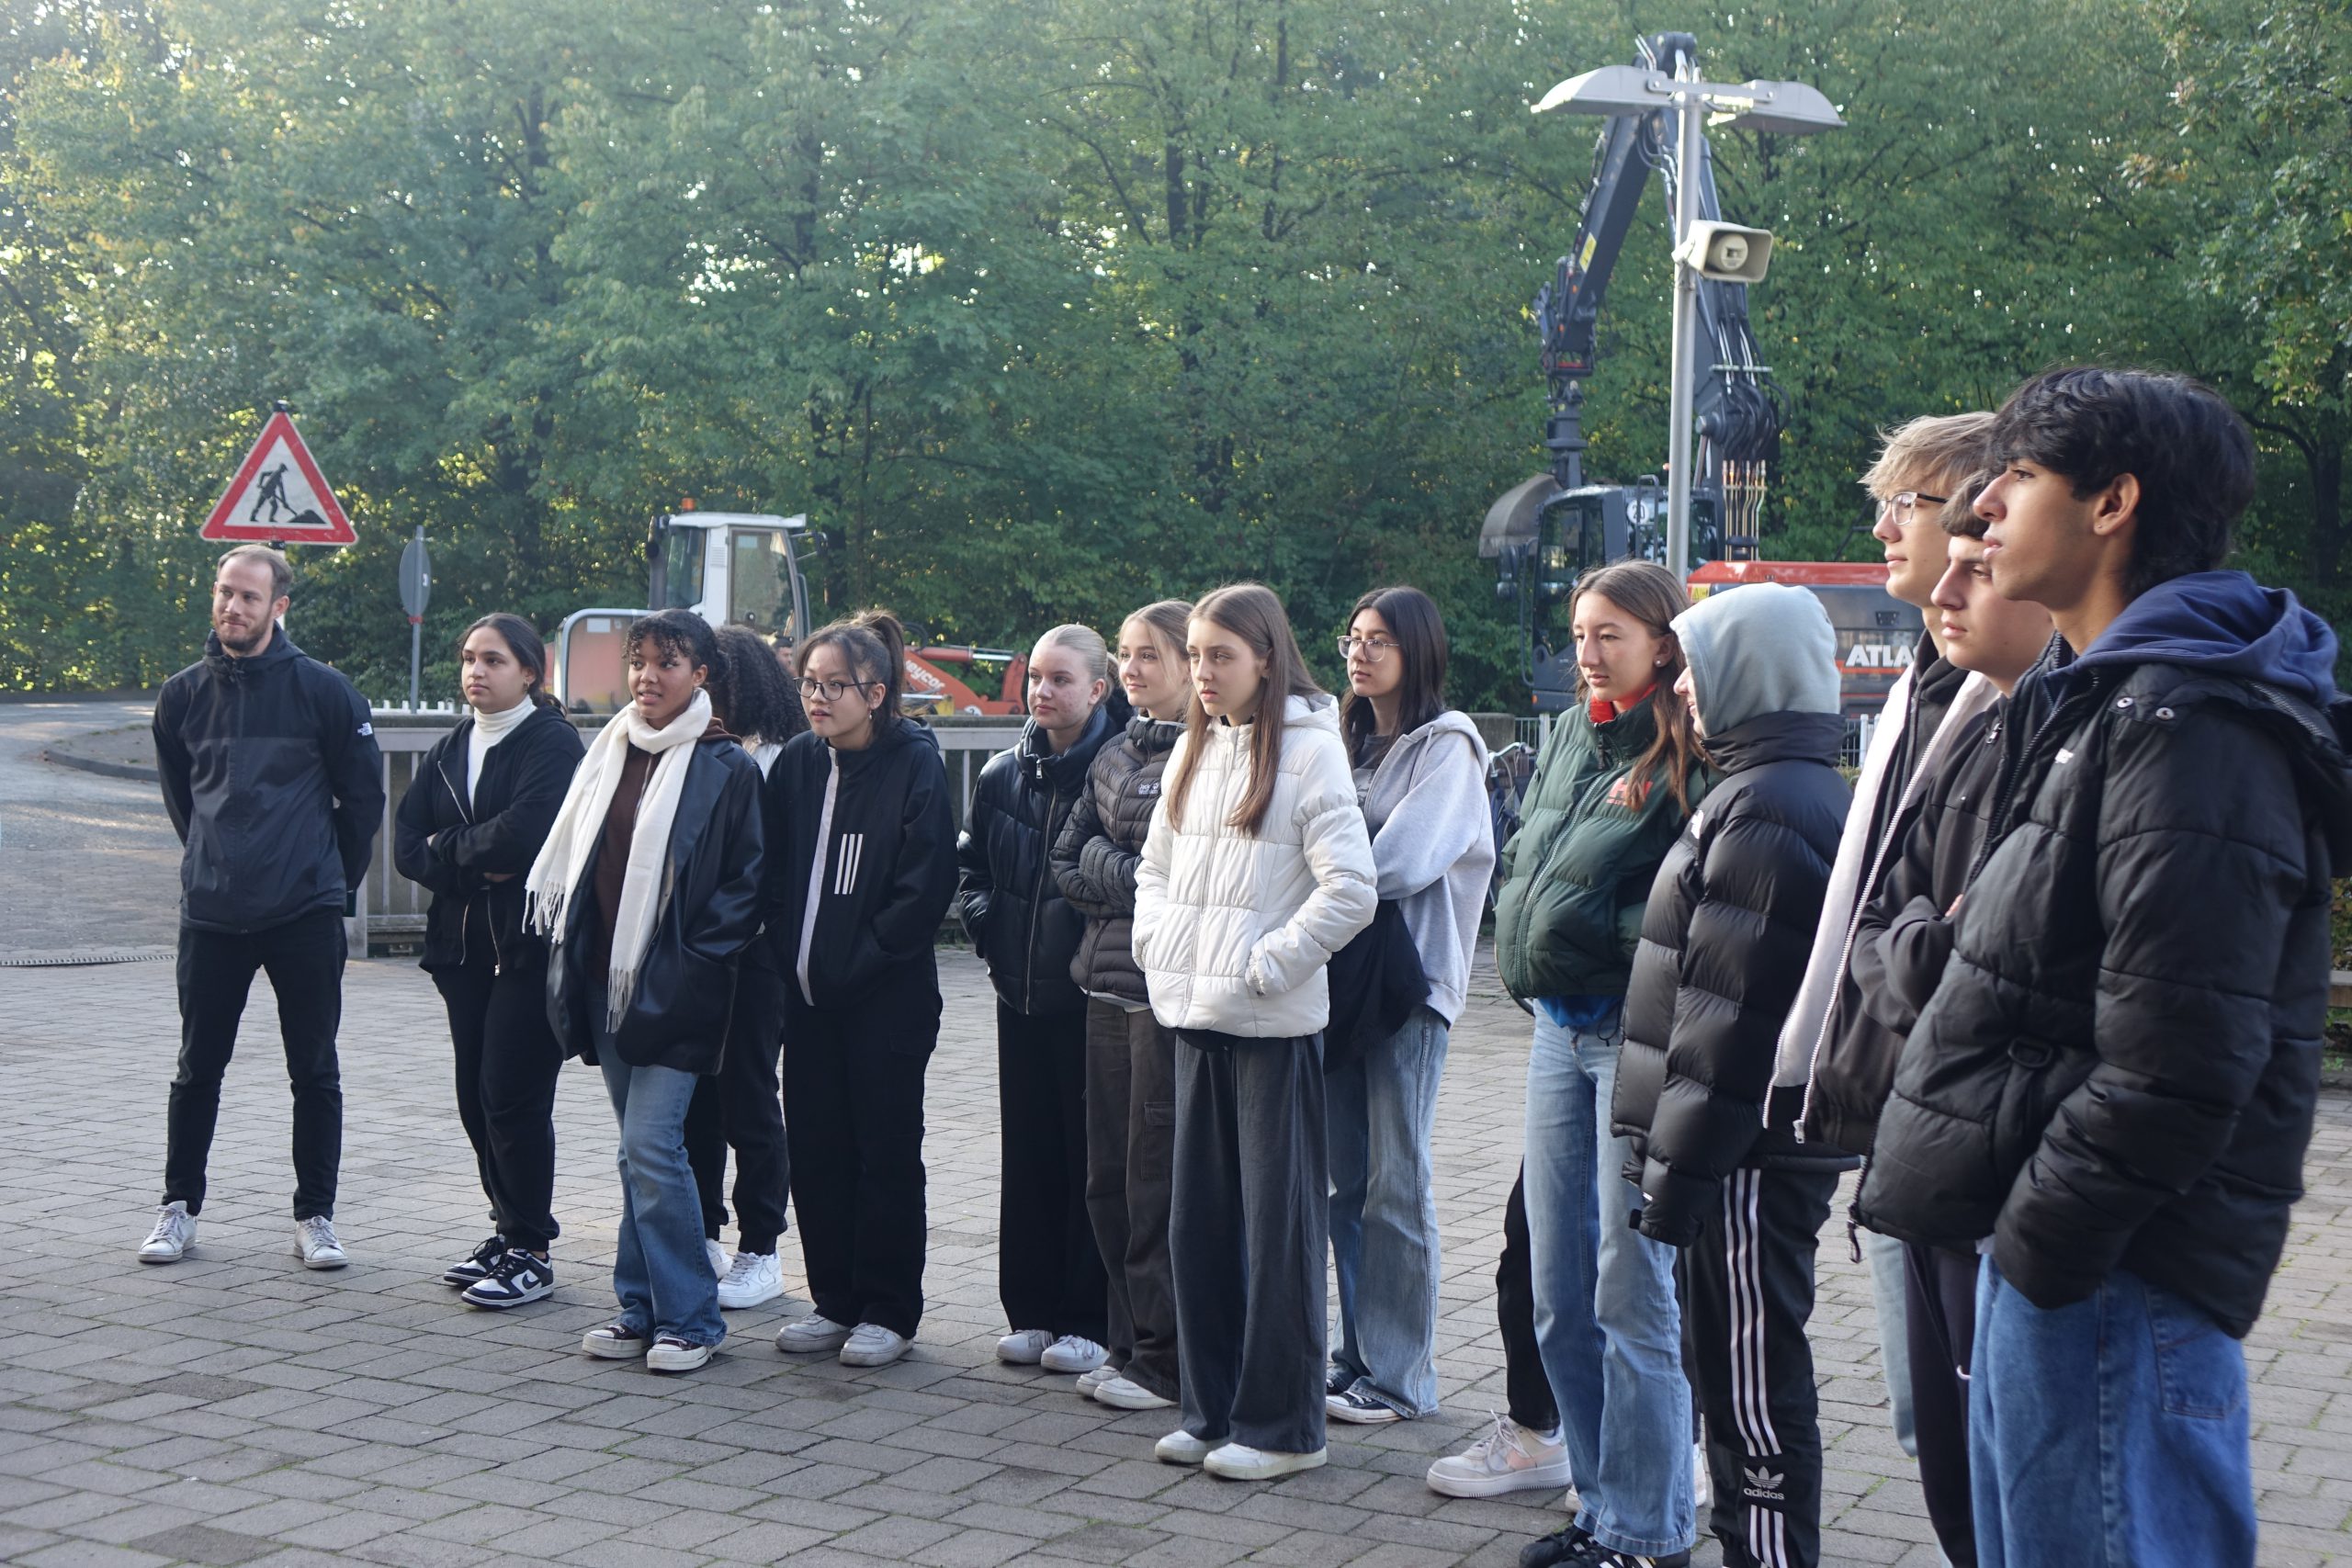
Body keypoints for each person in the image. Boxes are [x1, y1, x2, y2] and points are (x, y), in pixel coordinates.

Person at [1860, 367, 2349, 1568]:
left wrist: (2040, 1246)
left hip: (2109, 1276)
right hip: (2063, 1267)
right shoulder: (2104, 704)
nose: (1980, 510)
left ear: (2112, 503)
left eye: (2018, 477)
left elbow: (2182, 1062)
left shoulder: (2190, 725)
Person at [1832, 492, 2055, 1566]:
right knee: (1941, 1444)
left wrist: (1925, 945)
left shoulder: (2064, 739)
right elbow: (1884, 920)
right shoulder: (1971, 730)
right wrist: (1932, 940)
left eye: (1980, 565)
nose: (1943, 592)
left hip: (1990, 1154)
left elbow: (2001, 964)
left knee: (2004, 1464)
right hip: (1917, 1127)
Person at [1609, 581, 1851, 1568]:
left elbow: (1730, 1028)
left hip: (1748, 1158)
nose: (1682, 690)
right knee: (1734, 1373)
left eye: (1698, 670)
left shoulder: (1766, 808)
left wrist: (1676, 1182)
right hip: (1738, 1153)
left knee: (1750, 1389)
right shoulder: (1765, 792)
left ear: (1749, 673)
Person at [1776, 412, 1997, 1471]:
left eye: (1904, 504)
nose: (1880, 527)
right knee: (1931, 1429)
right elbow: (1887, 905)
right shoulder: (1922, 683)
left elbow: (1946, 932)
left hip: (1950, 1106)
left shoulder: (2008, 702)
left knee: (1969, 1439)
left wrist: (1891, 944)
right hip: (1893, 1090)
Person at [1489, 560, 1709, 1557]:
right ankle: (1598, 1503)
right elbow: (1530, 860)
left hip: (1633, 1033)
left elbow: (1696, 897)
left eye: (1608, 633)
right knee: (1556, 1287)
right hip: (1555, 1027)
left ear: (1662, 642)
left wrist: (1594, 942)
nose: (1586, 650)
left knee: (1632, 1291)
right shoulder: (1574, 729)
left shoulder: (1691, 739)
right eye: (1579, 631)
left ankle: (1648, 1529)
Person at [1136, 582, 1375, 1483]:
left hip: (1272, 1029)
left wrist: (1267, 965)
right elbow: (1152, 871)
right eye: (1195, 655)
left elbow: (1352, 889)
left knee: (1277, 1235)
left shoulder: (1312, 752)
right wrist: (1163, 952)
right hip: (1194, 1019)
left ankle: (1284, 1430)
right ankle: (1212, 1411)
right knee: (1197, 1227)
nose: (1202, 672)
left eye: (1220, 656)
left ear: (1266, 658)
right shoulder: (1192, 748)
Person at [528, 609, 765, 1373]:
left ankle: (692, 1318)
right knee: (636, 1153)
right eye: (639, 661)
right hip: (607, 982)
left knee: (652, 1145)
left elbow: (745, 887)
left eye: (668, 662)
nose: (648, 676)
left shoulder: (726, 766)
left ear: (701, 674)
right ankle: (639, 1306)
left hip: (679, 987)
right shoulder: (611, 748)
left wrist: (692, 961)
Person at [140, 545, 384, 1269]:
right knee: (196, 1068)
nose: (233, 607)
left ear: (279, 606)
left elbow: (362, 801)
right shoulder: (181, 696)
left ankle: (316, 1217)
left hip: (303, 912)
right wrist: (212, 860)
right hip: (212, 914)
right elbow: (185, 802)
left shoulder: (325, 692)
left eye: (249, 596)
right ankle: (178, 1208)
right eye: (225, 592)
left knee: (314, 1069)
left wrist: (326, 879)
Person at [764, 613, 957, 1371]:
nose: (817, 698)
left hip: (886, 1001)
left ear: (875, 693)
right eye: (809, 683)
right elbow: (773, 871)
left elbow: (923, 887)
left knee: (885, 1152)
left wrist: (859, 958)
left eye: (834, 686)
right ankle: (834, 1299)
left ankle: (887, 1308)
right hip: (807, 1000)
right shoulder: (797, 764)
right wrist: (789, 958)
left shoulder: (913, 763)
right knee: (817, 1149)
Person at [1324, 587, 1493, 1426]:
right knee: (1346, 1181)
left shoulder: (1448, 747)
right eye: (1354, 638)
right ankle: (1357, 1354)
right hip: (1339, 979)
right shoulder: (1344, 739)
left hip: (1411, 987)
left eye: (1379, 640)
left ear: (1416, 650)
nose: (1360, 653)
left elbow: (1402, 861)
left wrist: (1322, 866)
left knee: (1397, 1180)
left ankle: (1402, 1377)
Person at [392, 614, 586, 1307]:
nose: (476, 670)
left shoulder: (550, 741)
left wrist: (449, 850)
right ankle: (506, 1228)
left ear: (530, 672)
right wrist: (467, 859)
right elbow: (406, 841)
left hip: (527, 951)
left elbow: (524, 835)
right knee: (475, 1097)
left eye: (494, 659)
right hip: (461, 951)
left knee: (512, 1095)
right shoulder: (452, 746)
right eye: (470, 658)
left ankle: (532, 1248)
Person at [959, 625, 1120, 1376]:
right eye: (1036, 678)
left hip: (1090, 997)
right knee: (1028, 1158)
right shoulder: (1001, 774)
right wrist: (991, 931)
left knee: (1089, 1158)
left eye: (1061, 679)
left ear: (1098, 689)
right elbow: (971, 869)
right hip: (1016, 995)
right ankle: (1031, 1310)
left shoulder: (1116, 773)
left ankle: (1088, 1317)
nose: (1043, 691)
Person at [1052, 600, 1194, 1413]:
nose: (1132, 669)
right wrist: (1130, 871)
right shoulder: (1113, 751)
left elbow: (1181, 876)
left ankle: (1166, 1359)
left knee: (1154, 1182)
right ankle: (1125, 1342)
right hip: (1101, 985)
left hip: (1162, 996)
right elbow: (1067, 859)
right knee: (1105, 1180)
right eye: (1127, 654)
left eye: (1150, 655)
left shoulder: (1210, 754)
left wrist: (1123, 869)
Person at [685, 625, 807, 1311]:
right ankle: (702, 1231)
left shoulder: (782, 759)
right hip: (695, 953)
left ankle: (761, 1246)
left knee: (748, 1096)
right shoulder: (689, 748)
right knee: (695, 1097)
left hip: (757, 956)